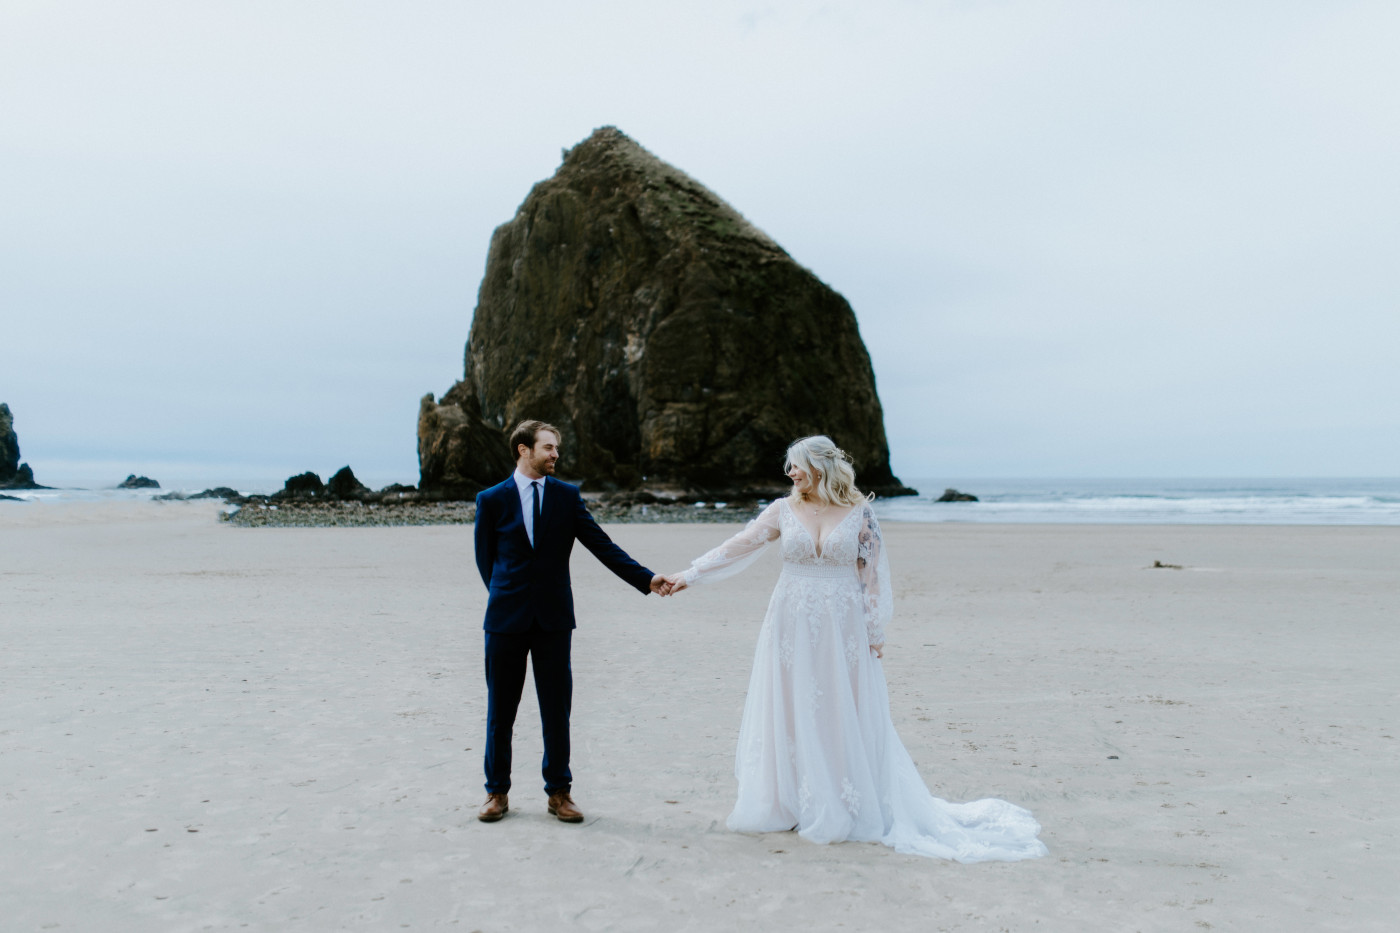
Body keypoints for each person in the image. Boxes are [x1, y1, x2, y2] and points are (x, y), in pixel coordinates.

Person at [662, 435, 1047, 861]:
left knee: (837, 706)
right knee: (791, 704)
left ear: (821, 465)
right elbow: (741, 543)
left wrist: (874, 629)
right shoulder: (782, 509)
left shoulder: (861, 511)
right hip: (790, 619)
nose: (790, 473)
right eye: (788, 466)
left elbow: (871, 574)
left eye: (797, 465)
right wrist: (691, 574)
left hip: (842, 623)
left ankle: (841, 799)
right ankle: (792, 799)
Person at [474, 420, 668, 824]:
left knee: (556, 710)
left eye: (556, 448)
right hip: (505, 620)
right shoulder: (491, 499)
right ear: (523, 451)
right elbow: (485, 559)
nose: (555, 455)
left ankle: (559, 793)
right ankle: (496, 793)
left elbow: (601, 544)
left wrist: (646, 579)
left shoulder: (566, 497)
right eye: (548, 448)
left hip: (554, 620)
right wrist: (505, 595)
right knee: (500, 711)